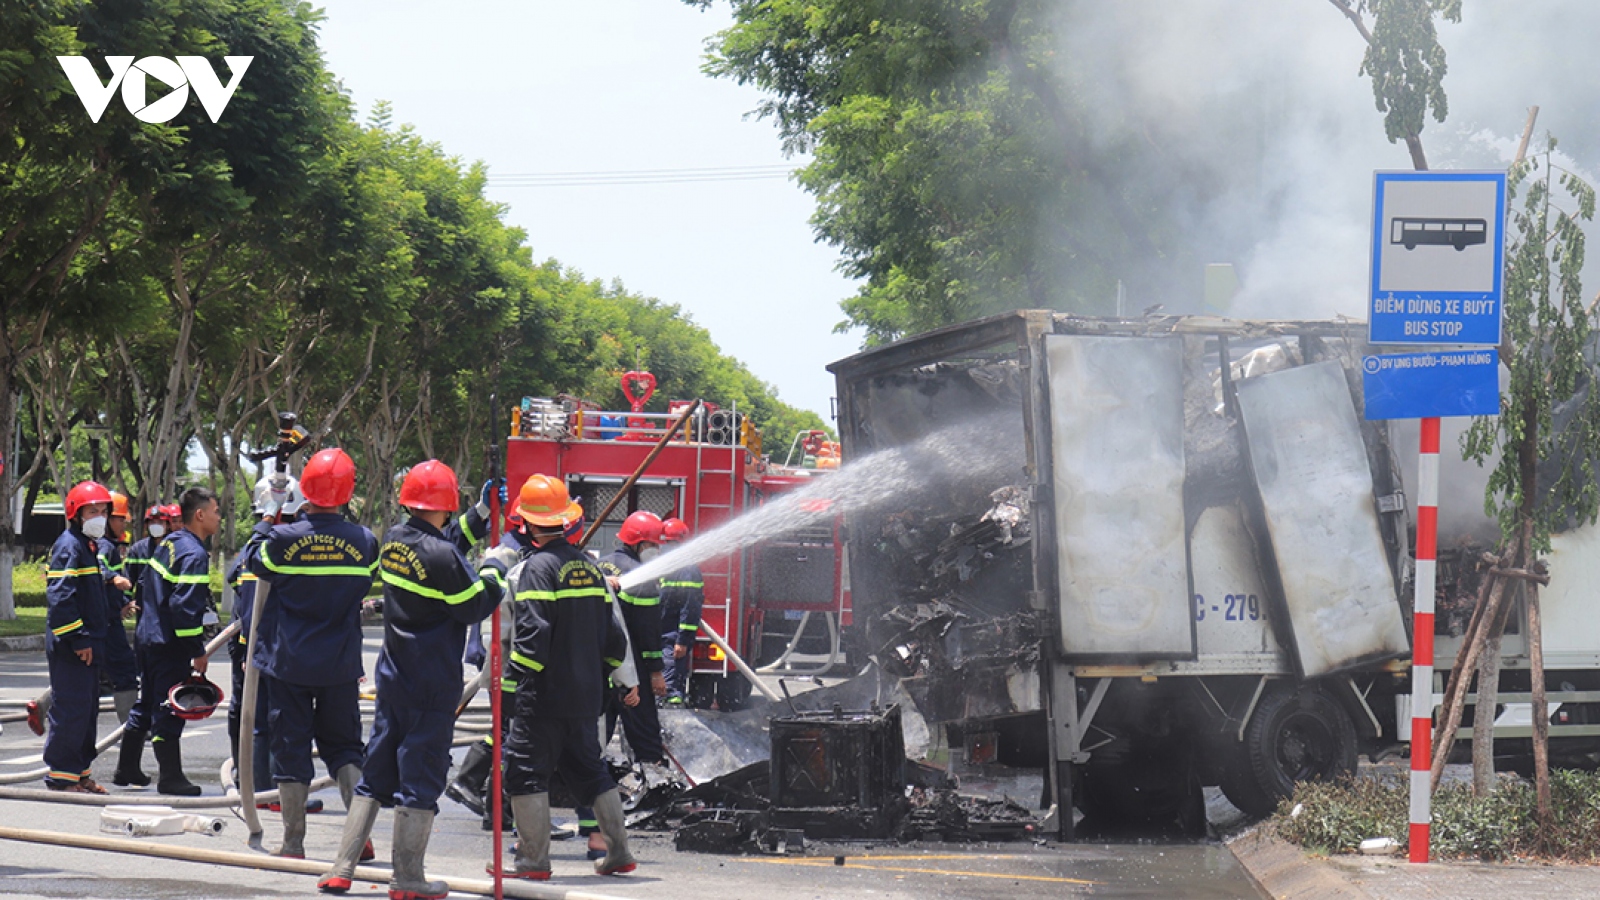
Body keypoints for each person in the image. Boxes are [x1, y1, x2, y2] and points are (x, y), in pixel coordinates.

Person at [318, 460, 510, 899]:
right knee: (421, 776)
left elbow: (441, 545)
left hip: (394, 678)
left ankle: (342, 868)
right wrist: (496, 569)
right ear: (446, 504)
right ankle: (407, 879)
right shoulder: (442, 556)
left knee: (375, 772)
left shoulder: (395, 540)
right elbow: (474, 604)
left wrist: (479, 515)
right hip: (431, 683)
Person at [491, 474, 636, 881]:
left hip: (544, 697)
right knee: (590, 770)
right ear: (566, 520)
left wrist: (516, 679)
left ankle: (532, 862)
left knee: (524, 772)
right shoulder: (590, 569)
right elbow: (614, 640)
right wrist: (597, 677)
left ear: (528, 523)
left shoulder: (536, 569)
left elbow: (533, 637)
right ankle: (619, 853)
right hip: (586, 697)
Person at [247, 449, 378, 859]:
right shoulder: (365, 542)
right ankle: (361, 839)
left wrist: (271, 513)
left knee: (291, 749)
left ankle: (293, 843)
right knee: (345, 748)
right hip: (339, 664)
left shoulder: (284, 540)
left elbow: (254, 560)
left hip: (289, 663)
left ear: (306, 491)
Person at [226, 474, 325, 817]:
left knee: (261, 721)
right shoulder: (274, 544)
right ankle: (268, 793)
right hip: (263, 647)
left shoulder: (257, 542)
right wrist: (252, 650)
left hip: (258, 646)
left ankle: (260, 789)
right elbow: (254, 603)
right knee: (268, 724)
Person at [124, 486, 222, 797]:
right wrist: (196, 650)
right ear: (200, 514)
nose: (220, 518)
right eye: (217, 511)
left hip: (148, 637)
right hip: (168, 644)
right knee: (168, 708)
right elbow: (184, 608)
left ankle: (126, 767)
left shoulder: (170, 544)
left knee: (148, 701)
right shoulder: (193, 554)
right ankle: (170, 777)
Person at [42, 481, 114, 793]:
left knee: (86, 711)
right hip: (73, 644)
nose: (100, 516)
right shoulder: (69, 545)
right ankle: (62, 776)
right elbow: (60, 598)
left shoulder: (87, 545)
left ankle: (80, 773)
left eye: (103, 510)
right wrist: (79, 639)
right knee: (71, 709)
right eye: (93, 511)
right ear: (76, 513)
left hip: (90, 641)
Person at [596, 511, 668, 766]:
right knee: (643, 723)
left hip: (595, 661)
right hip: (630, 663)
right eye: (653, 544)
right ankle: (654, 775)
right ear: (638, 543)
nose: (657, 550)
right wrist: (656, 672)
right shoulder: (642, 578)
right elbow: (648, 633)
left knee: (597, 726)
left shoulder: (600, 565)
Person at [98, 492, 141, 729]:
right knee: (125, 670)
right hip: (107, 623)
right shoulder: (103, 546)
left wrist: (123, 601)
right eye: (120, 519)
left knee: (90, 675)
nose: (123, 523)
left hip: (107, 618)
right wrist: (114, 579)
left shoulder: (109, 545)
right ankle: (132, 728)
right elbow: (99, 567)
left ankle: (44, 706)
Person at [656, 517, 704, 706]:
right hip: (658, 632)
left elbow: (690, 607)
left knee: (670, 684)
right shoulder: (663, 564)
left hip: (672, 636)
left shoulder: (687, 569)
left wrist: (682, 640)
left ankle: (671, 709)